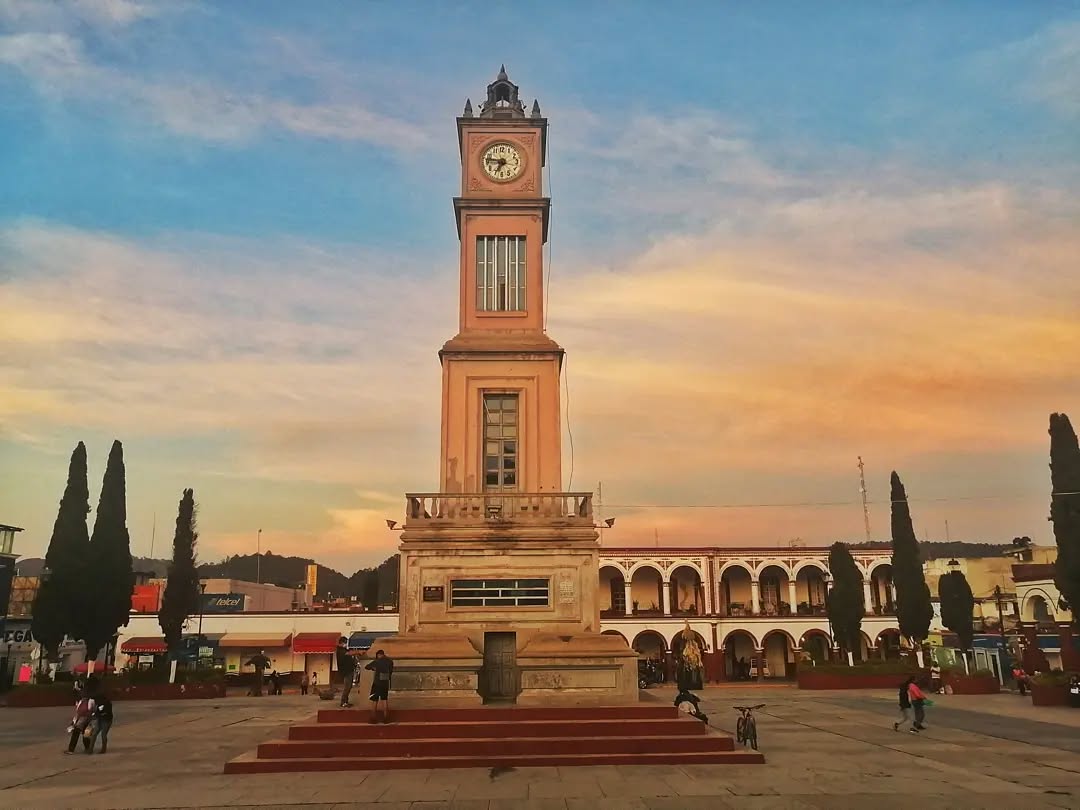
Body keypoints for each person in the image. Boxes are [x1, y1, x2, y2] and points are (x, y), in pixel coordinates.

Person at [365, 649, 394, 724]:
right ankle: (386, 718)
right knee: (384, 700)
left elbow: (367, 666)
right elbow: (391, 671)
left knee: (375, 700)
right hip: (385, 683)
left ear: (378, 655)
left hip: (377, 683)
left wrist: (373, 668)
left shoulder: (377, 661)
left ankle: (373, 718)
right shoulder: (390, 661)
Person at [87, 686, 113, 754]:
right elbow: (97, 711)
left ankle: (103, 749)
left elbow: (107, 713)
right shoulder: (99, 703)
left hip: (107, 720)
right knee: (94, 734)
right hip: (101, 719)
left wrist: (98, 714)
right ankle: (90, 749)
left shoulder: (107, 703)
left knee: (103, 734)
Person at [335, 636, 356, 708]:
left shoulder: (343, 649)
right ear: (342, 642)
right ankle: (343, 702)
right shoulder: (340, 650)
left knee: (349, 687)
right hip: (346, 671)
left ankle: (346, 701)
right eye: (345, 643)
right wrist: (358, 652)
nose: (346, 644)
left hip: (349, 670)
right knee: (347, 687)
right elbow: (348, 653)